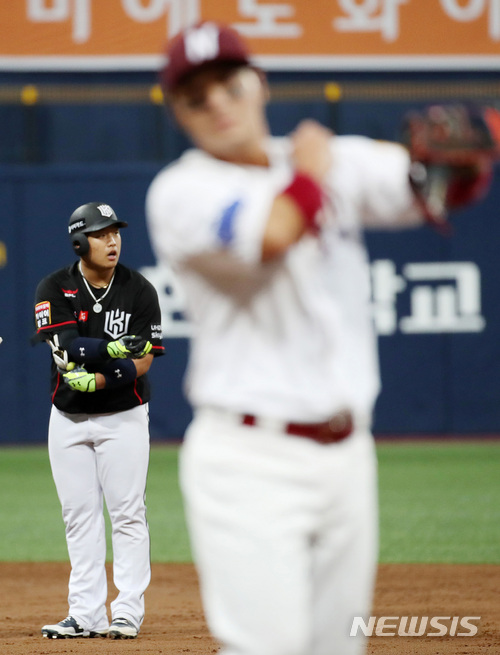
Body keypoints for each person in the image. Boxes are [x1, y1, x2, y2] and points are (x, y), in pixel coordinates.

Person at [145, 21, 497, 655]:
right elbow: (276, 230)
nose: (218, 103)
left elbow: (429, 187)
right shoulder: (182, 192)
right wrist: (311, 169)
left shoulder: (333, 160)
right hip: (251, 460)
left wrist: (471, 160)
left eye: (228, 83)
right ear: (179, 113)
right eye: (197, 97)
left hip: (347, 455)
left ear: (258, 83)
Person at [33, 202, 164, 640]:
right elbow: (69, 345)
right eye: (101, 233)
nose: (112, 240)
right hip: (67, 419)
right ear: (78, 241)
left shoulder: (140, 289)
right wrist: (111, 351)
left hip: (124, 417)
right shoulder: (53, 287)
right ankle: (86, 613)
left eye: (116, 232)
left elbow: (145, 360)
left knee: (127, 513)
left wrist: (107, 376)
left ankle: (127, 610)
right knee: (79, 515)